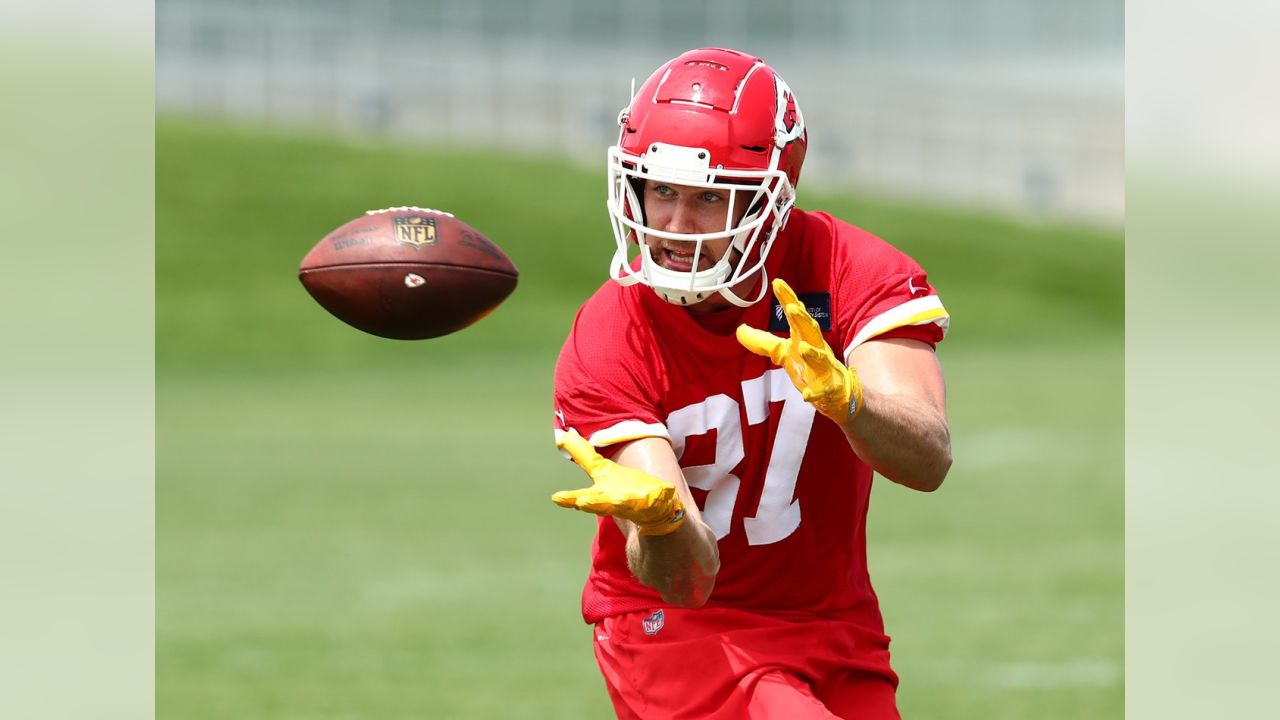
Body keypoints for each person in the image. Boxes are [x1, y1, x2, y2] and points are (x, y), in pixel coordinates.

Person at [550, 47, 952, 719]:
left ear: (774, 196)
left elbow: (928, 460)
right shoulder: (608, 336)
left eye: (711, 197)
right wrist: (662, 518)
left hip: (832, 620)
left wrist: (852, 403)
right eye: (661, 190)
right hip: (677, 628)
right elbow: (686, 580)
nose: (675, 227)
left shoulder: (846, 271)